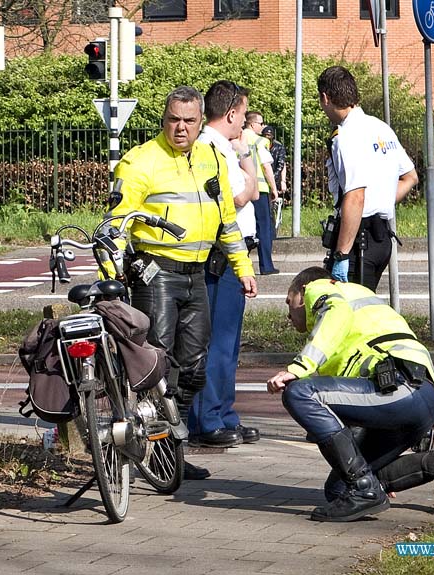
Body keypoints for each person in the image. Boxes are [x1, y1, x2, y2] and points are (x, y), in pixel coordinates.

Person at [110, 86, 258, 480]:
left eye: (189, 121)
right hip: (156, 272)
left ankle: (171, 449)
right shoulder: (140, 161)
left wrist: (242, 267)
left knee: (192, 368)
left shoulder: (209, 157)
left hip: (199, 273)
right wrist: (110, 277)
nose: (181, 128)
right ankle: (152, 451)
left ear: (199, 122)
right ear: (164, 119)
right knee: (156, 365)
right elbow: (116, 225)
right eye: (173, 119)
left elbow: (227, 218)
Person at [267, 267, 434, 522]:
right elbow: (350, 418)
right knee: (339, 489)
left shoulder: (322, 288)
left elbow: (335, 312)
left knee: (299, 393)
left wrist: (298, 368)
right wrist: (371, 471)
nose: (289, 314)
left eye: (289, 302)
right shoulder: (359, 314)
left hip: (398, 386)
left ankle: (365, 488)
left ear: (302, 291)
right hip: (416, 398)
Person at [187, 80, 262, 450]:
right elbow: (238, 197)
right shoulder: (207, 148)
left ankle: (223, 413)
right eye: (243, 114)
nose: (245, 122)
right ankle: (206, 419)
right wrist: (247, 178)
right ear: (231, 113)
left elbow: (255, 191)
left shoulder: (224, 147)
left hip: (235, 254)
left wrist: (245, 154)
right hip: (220, 257)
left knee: (228, 344)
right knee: (214, 342)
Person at [317, 66, 418, 290]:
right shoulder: (380, 128)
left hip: (358, 242)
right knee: (364, 308)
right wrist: (381, 199)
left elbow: (355, 197)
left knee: (350, 316)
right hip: (381, 239)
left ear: (325, 98)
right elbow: (410, 177)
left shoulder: (345, 136)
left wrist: (341, 255)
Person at [244, 111, 280, 275]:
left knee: (241, 227)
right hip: (260, 190)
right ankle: (266, 265)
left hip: (241, 190)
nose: (263, 126)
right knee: (263, 228)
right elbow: (266, 167)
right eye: (260, 123)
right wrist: (274, 189)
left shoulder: (236, 138)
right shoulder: (260, 141)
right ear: (252, 124)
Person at [261, 125, 287, 203]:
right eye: (265, 135)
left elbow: (281, 164)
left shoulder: (278, 147)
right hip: (262, 181)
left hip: (274, 179)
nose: (267, 138)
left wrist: (282, 181)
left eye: (269, 135)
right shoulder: (259, 145)